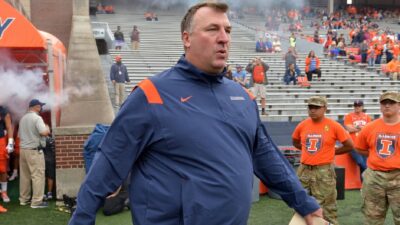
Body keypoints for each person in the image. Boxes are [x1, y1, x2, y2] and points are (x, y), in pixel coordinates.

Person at [68, 3, 322, 225]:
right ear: (187, 38)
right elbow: (108, 163)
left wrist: (305, 204)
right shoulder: (151, 95)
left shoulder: (243, 97)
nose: (224, 38)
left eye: (228, 30)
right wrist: (81, 219)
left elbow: (267, 158)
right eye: (213, 29)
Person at [292, 96, 353, 225]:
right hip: (304, 169)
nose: (313, 110)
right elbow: (296, 141)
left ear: (325, 108)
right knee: (299, 203)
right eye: (310, 107)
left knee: (328, 206)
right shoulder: (302, 124)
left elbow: (349, 145)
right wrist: (306, 151)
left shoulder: (333, 125)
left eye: (316, 107)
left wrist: (332, 151)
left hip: (324, 170)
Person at [355, 91, 400, 225]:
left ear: (398, 105)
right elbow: (359, 147)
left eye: (391, 103)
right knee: (372, 219)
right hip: (375, 177)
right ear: (380, 106)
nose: (387, 106)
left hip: (398, 176)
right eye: (384, 103)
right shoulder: (370, 127)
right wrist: (375, 156)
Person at [18, 99, 50, 208]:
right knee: (38, 175)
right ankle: (37, 202)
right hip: (34, 151)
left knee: (25, 176)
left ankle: (24, 199)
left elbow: (19, 135)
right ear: (36, 107)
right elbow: (43, 132)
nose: (41, 108)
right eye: (40, 106)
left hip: (23, 150)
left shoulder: (23, 118)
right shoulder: (37, 118)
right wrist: (47, 128)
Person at [343, 100, 371, 177]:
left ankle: (363, 186)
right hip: (353, 144)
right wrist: (361, 127)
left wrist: (355, 127)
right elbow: (349, 129)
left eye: (359, 106)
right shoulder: (349, 116)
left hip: (364, 145)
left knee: (364, 164)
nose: (357, 107)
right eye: (355, 106)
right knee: (360, 162)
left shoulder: (367, 117)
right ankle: (371, 175)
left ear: (362, 107)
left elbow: (368, 130)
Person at [0, 105, 14, 212]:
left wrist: (10, 142)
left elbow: (9, 126)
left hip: (0, 142)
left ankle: (3, 192)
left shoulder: (2, 109)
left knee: (2, 169)